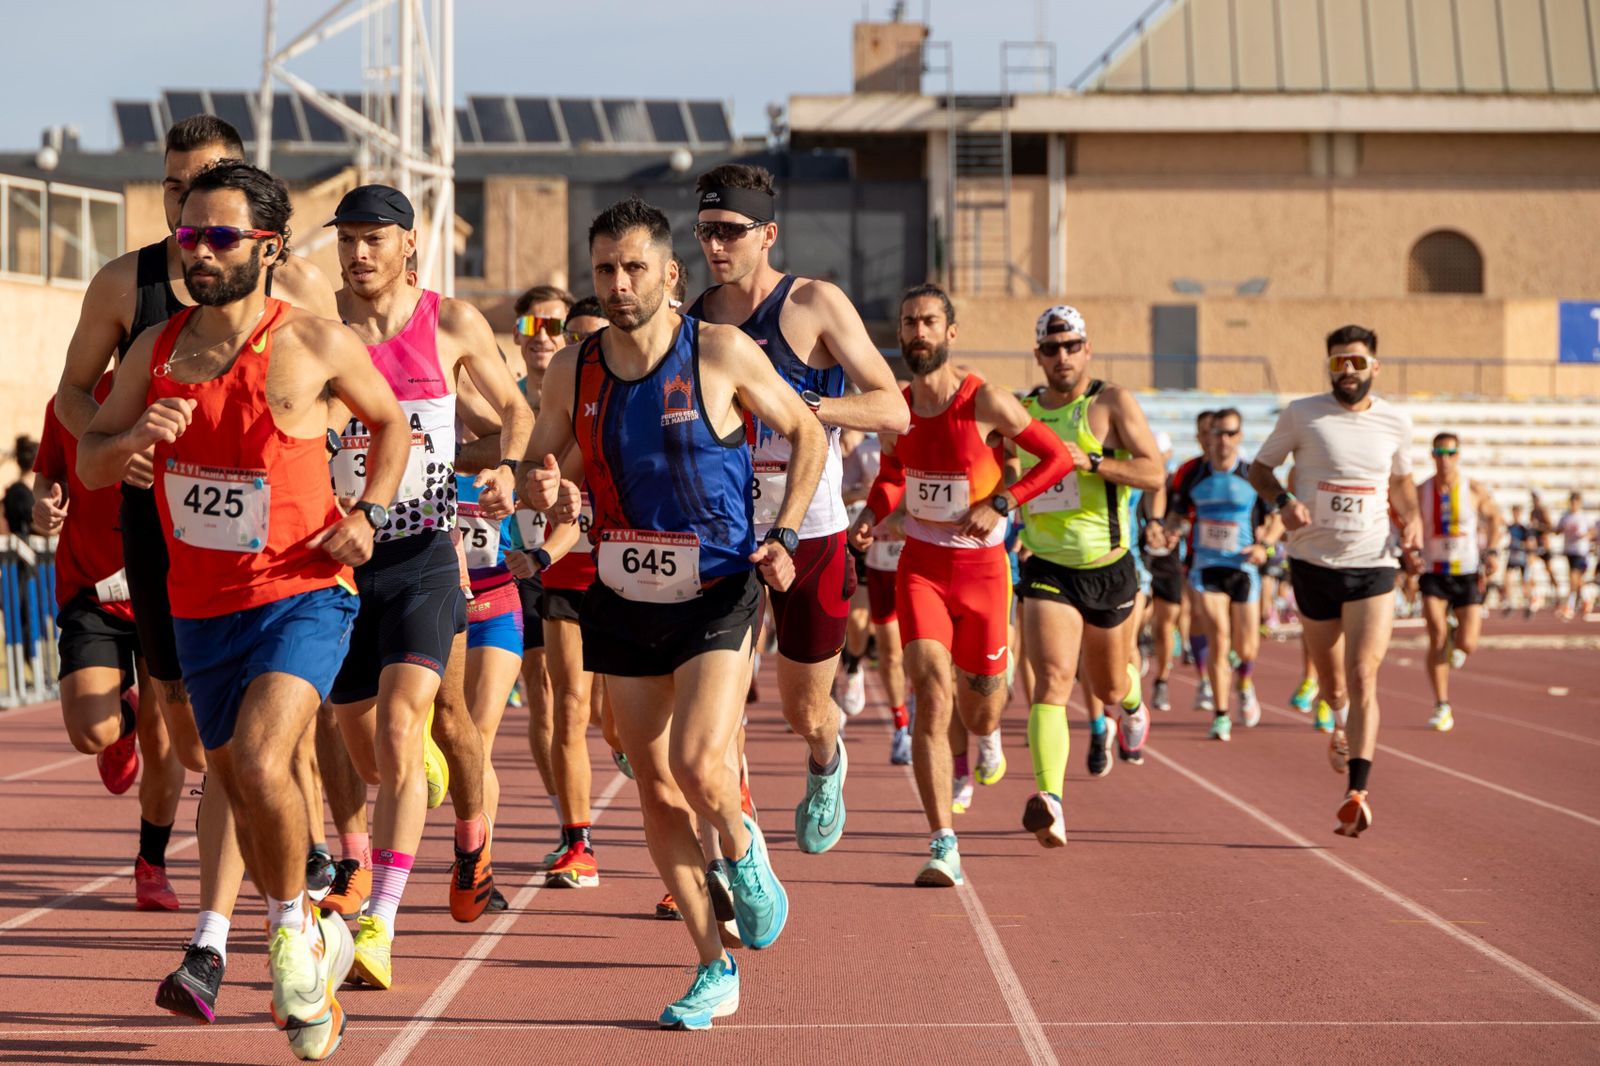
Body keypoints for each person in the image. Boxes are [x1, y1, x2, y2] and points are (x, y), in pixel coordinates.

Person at [78, 159, 410, 1061]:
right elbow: (93, 459)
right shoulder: (156, 350)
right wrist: (132, 438)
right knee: (231, 779)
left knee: (264, 761)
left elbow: (391, 424)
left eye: (220, 236)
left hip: (303, 593)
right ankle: (312, 935)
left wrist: (368, 516)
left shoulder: (312, 342)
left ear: (267, 248)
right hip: (199, 607)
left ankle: (291, 930)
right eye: (188, 234)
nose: (199, 251)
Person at [52, 114, 340, 1024]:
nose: (190, 208)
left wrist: (354, 498)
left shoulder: (297, 288)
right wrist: (122, 442)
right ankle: (283, 887)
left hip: (285, 548)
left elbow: (347, 395)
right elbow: (72, 396)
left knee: (267, 744)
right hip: (162, 518)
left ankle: (266, 912)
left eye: (207, 184)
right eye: (175, 188)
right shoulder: (126, 284)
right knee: (192, 733)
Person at [523, 196, 824, 1028]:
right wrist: (542, 487)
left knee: (696, 763)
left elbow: (806, 434)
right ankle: (711, 965)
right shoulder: (573, 369)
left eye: (634, 268)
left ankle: (745, 850)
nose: (618, 285)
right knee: (653, 783)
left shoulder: (718, 351)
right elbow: (541, 464)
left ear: (669, 273)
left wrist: (786, 532)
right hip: (623, 591)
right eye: (604, 270)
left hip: (718, 586)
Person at [327, 183, 532, 986]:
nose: (358, 253)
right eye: (347, 238)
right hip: (342, 563)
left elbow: (514, 411)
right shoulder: (320, 332)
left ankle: (385, 917)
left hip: (424, 555)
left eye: (374, 238)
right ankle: (434, 800)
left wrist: (507, 466)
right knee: (374, 755)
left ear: (409, 243)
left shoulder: (450, 323)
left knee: (411, 724)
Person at [688, 163, 908, 855]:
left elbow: (893, 408)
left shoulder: (815, 304)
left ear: (768, 234)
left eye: (730, 231)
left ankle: (825, 759)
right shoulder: (696, 319)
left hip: (810, 530)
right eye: (705, 231)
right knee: (717, 710)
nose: (715, 245)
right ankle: (735, 839)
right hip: (726, 535)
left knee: (804, 709)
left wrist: (806, 408)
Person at [850, 285, 1074, 875]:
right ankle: (942, 842)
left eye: (929, 322)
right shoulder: (895, 410)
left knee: (980, 712)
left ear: (950, 333)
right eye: (908, 323)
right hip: (921, 566)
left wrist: (1003, 501)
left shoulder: (985, 401)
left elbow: (1057, 458)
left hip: (983, 573)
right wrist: (873, 513)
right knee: (929, 689)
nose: (918, 332)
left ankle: (987, 736)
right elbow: (893, 474)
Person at [1249, 324, 1422, 838]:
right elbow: (1259, 470)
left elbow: (1401, 481)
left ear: (1375, 367)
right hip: (1313, 563)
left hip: (1373, 562)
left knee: (1364, 673)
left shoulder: (1396, 422)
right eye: (1338, 362)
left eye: (1357, 361)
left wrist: (1411, 517)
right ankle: (1339, 719)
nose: (1347, 370)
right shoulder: (1303, 414)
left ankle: (1357, 792)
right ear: (1329, 366)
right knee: (1333, 684)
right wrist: (1284, 501)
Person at [1009, 305, 1163, 839]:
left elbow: (1154, 472)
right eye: (1052, 349)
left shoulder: (1110, 402)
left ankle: (1133, 704)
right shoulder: (1023, 410)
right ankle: (1050, 799)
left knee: (1108, 684)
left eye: (1072, 346)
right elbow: (1006, 469)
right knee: (1052, 679)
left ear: (1087, 349)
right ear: (1039, 356)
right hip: (1046, 564)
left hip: (1107, 566)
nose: (1063, 357)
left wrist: (1092, 461)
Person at [33, 381, 186, 911]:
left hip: (168, 592)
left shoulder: (182, 400)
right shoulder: (72, 402)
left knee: (165, 743)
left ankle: (152, 864)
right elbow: (48, 475)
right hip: (94, 591)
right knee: (89, 733)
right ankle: (122, 724)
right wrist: (44, 505)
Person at [1165, 407, 1281, 742]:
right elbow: (1176, 516)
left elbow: (1277, 518)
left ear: (1239, 436)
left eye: (1231, 433)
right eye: (1218, 433)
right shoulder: (1193, 474)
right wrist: (1167, 531)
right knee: (1219, 637)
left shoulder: (1252, 474)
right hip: (1206, 567)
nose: (1224, 440)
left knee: (1247, 647)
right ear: (1208, 436)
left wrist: (1264, 547)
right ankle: (1220, 714)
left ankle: (1244, 683)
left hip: (1243, 567)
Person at [1416, 433, 1501, 732]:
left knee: (1468, 644)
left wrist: (1492, 551)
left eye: (1450, 453)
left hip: (1466, 573)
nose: (1445, 459)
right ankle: (1442, 704)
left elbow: (1495, 518)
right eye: (1439, 453)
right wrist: (1409, 554)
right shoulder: (1421, 491)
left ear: (1458, 455)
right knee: (1436, 635)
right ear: (1432, 455)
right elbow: (1407, 522)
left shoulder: (1473, 489)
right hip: (1433, 572)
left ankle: (1457, 638)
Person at [1557, 492, 1594, 620]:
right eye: (1572, 502)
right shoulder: (1565, 516)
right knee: (1577, 580)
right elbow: (1557, 530)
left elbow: (1593, 530)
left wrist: (1585, 535)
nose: (1573, 505)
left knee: (1573, 577)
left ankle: (1570, 606)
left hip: (1581, 551)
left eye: (1576, 502)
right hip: (1569, 551)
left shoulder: (1583, 516)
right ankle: (1587, 599)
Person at [1500, 504, 1533, 617]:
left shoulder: (1524, 528)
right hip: (1512, 558)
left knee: (1524, 582)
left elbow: (1530, 544)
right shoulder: (1509, 528)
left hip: (1522, 558)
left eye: (1518, 512)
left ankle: (1528, 604)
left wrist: (1518, 544)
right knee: (1507, 579)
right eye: (1514, 512)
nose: (1516, 515)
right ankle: (1510, 603)